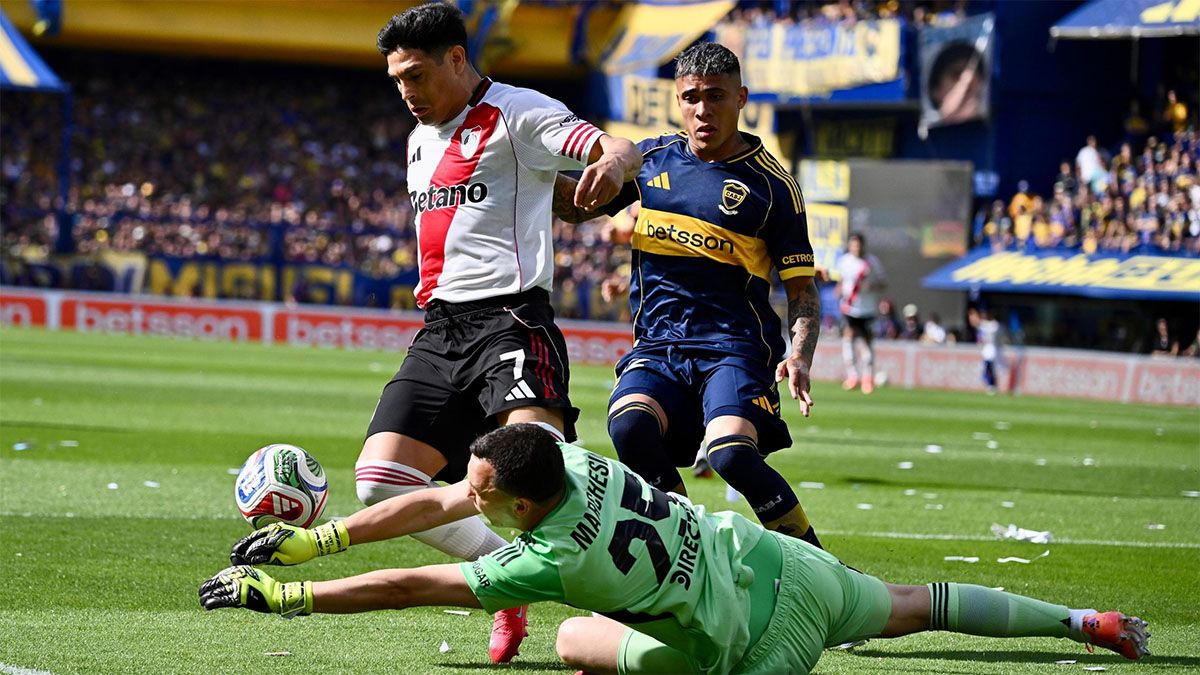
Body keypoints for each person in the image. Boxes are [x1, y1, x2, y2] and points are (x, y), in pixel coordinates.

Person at [200, 424, 1151, 674]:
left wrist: (291, 598)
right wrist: (318, 540)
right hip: (786, 566)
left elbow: (418, 582)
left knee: (572, 639)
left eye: (482, 492)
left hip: (756, 649)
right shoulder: (568, 458)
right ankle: (1084, 620)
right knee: (916, 603)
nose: (466, 497)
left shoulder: (549, 559)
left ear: (522, 503)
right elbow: (442, 499)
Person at [355, 3, 641, 662]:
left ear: (457, 59)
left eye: (416, 74)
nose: (406, 91)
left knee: (547, 472)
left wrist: (613, 166)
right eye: (397, 79)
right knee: (380, 480)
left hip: (510, 320)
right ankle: (506, 583)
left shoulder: (519, 113)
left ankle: (624, 606)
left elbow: (614, 147)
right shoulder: (418, 140)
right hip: (439, 331)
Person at [551, 43, 823, 547]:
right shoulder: (650, 161)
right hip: (659, 345)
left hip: (733, 348)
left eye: (716, 96)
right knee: (629, 426)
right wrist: (511, 171)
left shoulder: (773, 188)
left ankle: (822, 570)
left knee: (730, 454)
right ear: (678, 101)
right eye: (691, 97)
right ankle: (692, 548)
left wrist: (801, 354)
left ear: (741, 98)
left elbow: (802, 290)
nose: (703, 110)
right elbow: (575, 207)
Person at [835, 232, 887, 393]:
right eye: (853, 245)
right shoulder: (844, 261)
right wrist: (839, 290)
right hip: (849, 307)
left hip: (867, 309)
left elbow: (883, 283)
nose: (856, 248)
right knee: (848, 337)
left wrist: (871, 286)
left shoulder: (872, 262)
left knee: (866, 343)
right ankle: (852, 376)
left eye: (858, 245)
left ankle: (867, 378)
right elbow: (842, 280)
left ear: (863, 246)